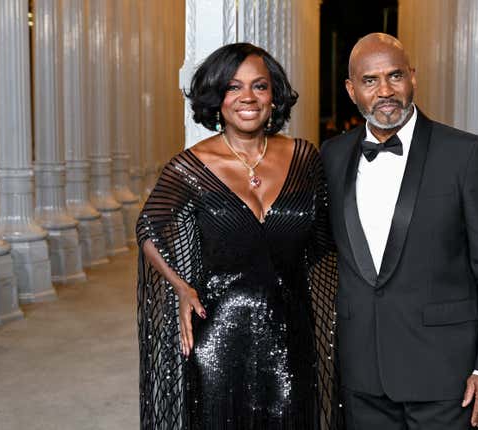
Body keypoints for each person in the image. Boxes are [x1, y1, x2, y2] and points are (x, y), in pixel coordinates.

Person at [136, 43, 342, 430]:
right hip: (218, 337)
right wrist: (181, 286)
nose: (248, 97)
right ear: (217, 98)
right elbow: (149, 227)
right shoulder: (191, 166)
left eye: (259, 86)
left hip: (290, 332)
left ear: (273, 96)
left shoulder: (304, 156)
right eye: (234, 87)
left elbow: (325, 237)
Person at [320, 33, 478, 429]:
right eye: (370, 80)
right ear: (351, 89)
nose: (385, 91)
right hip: (362, 369)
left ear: (413, 78)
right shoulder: (332, 155)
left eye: (395, 76)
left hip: (445, 371)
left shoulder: (466, 154)